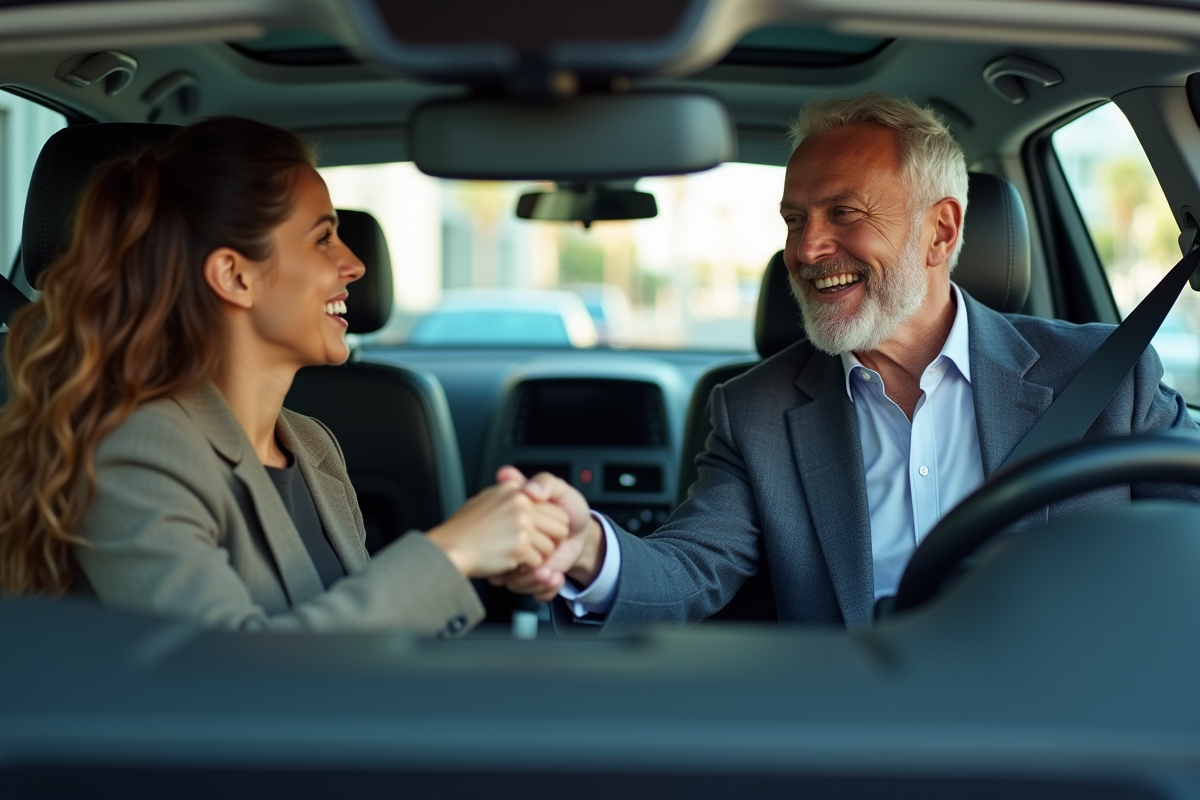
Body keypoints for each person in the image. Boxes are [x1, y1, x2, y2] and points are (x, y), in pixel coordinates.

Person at [493, 92, 1200, 630]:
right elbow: (690, 567)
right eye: (795, 220)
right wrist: (587, 549)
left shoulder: (1107, 377)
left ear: (941, 230)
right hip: (868, 745)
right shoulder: (757, 410)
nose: (804, 250)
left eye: (845, 214)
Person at [0, 117, 568, 636]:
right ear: (235, 276)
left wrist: (490, 559)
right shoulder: (132, 446)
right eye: (323, 238)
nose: (355, 265)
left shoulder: (312, 445)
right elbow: (225, 682)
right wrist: (451, 554)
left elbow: (362, 651)